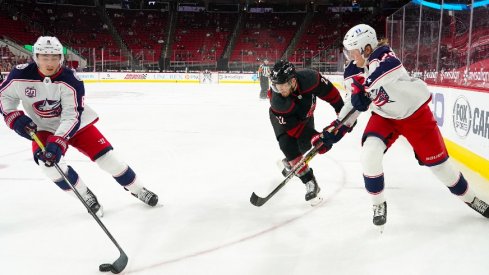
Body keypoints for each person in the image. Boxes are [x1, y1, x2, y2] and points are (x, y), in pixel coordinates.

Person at [319, 24, 489, 228]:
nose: (350, 56)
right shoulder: (352, 69)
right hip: (384, 117)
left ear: (366, 48)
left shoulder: (385, 56)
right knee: (369, 154)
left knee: (442, 169)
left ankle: (471, 198)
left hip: (415, 115)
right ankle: (378, 203)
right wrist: (335, 130)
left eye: (353, 51)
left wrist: (363, 90)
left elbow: (384, 73)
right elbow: (352, 105)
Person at [0, 36, 159, 217]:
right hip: (42, 127)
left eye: (54, 57)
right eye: (45, 57)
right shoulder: (19, 75)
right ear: (36, 57)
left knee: (109, 159)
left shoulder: (70, 79)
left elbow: (71, 115)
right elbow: (4, 97)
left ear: (61, 57)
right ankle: (85, 195)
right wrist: (13, 116)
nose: (50, 62)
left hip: (76, 124)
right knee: (48, 165)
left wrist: (58, 141)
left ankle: (138, 189)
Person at [268, 60, 346, 205]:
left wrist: (342, 111)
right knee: (287, 144)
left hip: (305, 115)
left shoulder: (310, 79)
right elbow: (295, 130)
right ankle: (310, 182)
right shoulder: (278, 102)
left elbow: (331, 93)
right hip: (285, 120)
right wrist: (315, 137)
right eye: (276, 86)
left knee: (304, 147)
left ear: (292, 81)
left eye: (283, 85)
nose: (280, 90)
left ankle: (292, 161)